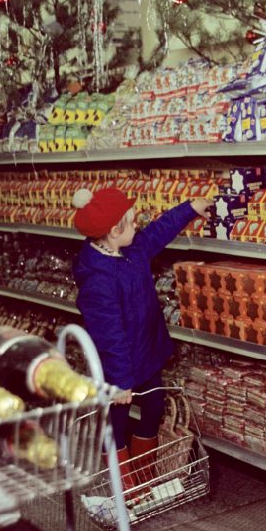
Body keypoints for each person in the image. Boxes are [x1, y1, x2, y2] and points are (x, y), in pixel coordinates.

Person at [72, 186, 213, 492]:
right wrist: (121, 381)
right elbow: (109, 337)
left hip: (147, 352)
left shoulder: (131, 249)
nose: (138, 225)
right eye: (132, 221)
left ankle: (145, 476)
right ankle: (124, 484)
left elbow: (157, 232)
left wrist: (189, 208)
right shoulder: (98, 281)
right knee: (117, 421)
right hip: (118, 368)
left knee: (153, 408)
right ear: (113, 231)